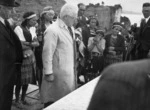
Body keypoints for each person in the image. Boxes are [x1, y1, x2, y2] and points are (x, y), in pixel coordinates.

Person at [40, 3, 78, 108]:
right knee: (53, 101)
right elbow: (47, 53)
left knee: (65, 100)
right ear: (65, 16)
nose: (75, 20)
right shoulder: (53, 30)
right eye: (73, 18)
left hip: (68, 70)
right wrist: (48, 73)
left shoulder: (71, 29)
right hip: (56, 73)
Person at [0, 0, 23, 110]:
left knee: (6, 100)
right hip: (2, 72)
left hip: (8, 72)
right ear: (0, 8)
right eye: (10, 8)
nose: (13, 11)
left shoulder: (6, 23)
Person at [14, 11, 39, 106]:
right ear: (27, 20)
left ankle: (23, 99)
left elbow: (37, 43)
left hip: (31, 56)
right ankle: (17, 101)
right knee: (20, 80)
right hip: (22, 57)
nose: (35, 22)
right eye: (33, 20)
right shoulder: (18, 29)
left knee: (27, 79)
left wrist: (27, 43)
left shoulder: (33, 29)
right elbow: (19, 45)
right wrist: (30, 44)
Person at [35, 7, 55, 89]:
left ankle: (51, 88)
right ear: (44, 14)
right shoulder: (39, 25)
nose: (52, 16)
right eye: (50, 14)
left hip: (52, 50)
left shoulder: (53, 24)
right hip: (41, 50)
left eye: (53, 15)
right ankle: (41, 88)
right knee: (41, 69)